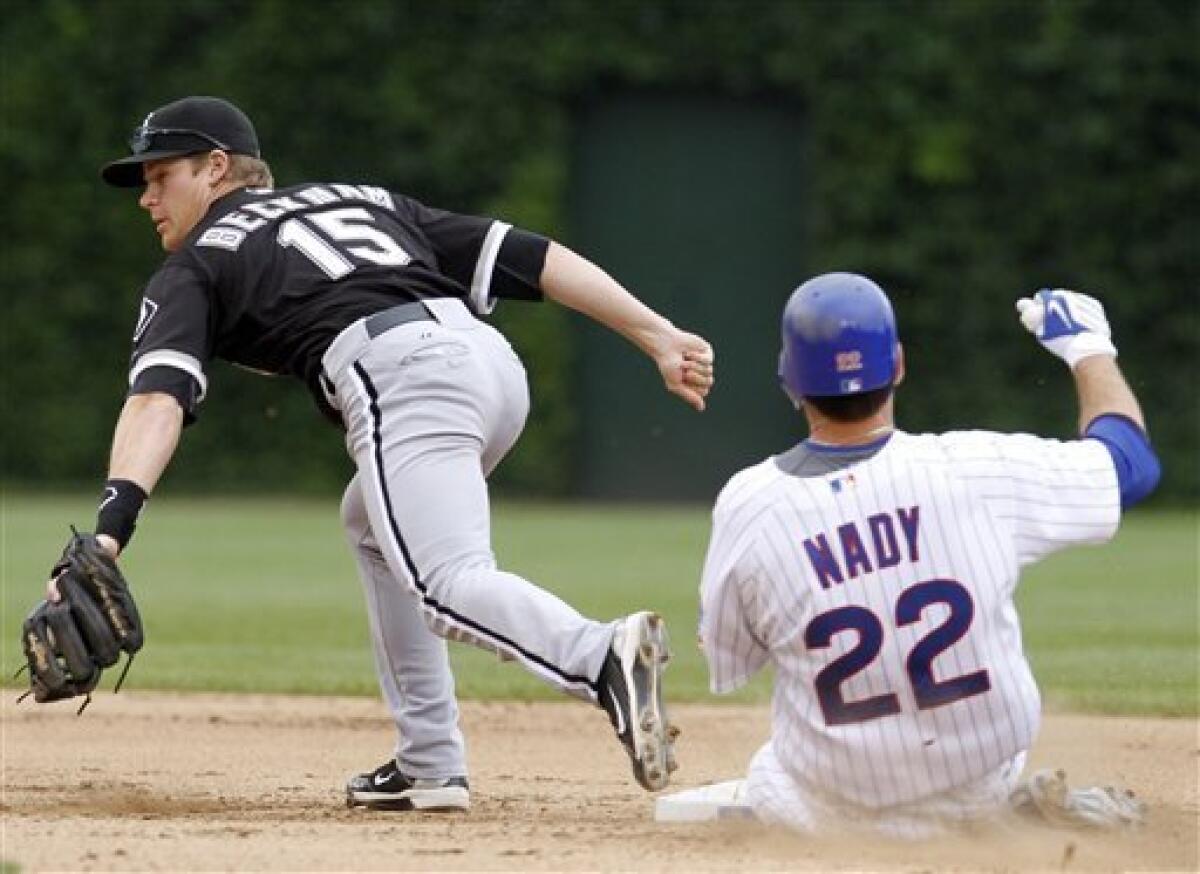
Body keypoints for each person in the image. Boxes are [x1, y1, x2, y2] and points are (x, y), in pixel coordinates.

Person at [66, 95, 714, 807]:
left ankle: (600, 657)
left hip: (402, 375)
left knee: (445, 582)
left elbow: (157, 399)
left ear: (216, 168)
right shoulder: (357, 197)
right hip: (489, 366)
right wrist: (656, 333)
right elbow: (530, 257)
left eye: (160, 176)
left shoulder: (196, 264)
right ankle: (430, 763)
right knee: (370, 523)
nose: (147, 198)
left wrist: (111, 526)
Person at [692, 273, 1159, 836]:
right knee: (979, 777)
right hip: (978, 783)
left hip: (827, 809)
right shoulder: (973, 468)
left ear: (788, 380)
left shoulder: (751, 503)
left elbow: (731, 661)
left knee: (771, 770)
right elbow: (1129, 468)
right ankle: (1004, 814)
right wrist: (1089, 349)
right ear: (898, 365)